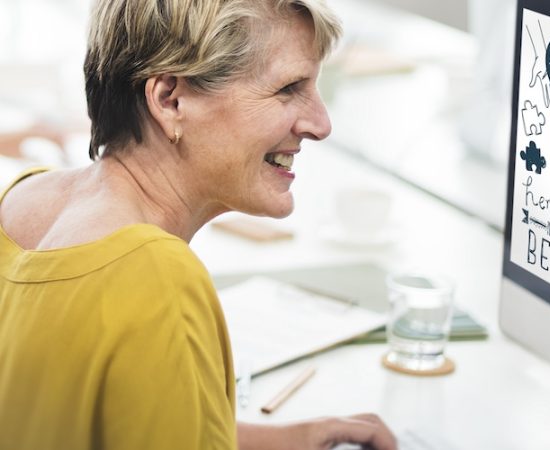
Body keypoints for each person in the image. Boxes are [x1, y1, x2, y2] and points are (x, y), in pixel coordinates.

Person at [0, 1, 396, 449]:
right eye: (289, 88)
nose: (321, 123)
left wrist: (288, 439)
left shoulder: (20, 201)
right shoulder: (154, 278)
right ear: (170, 100)